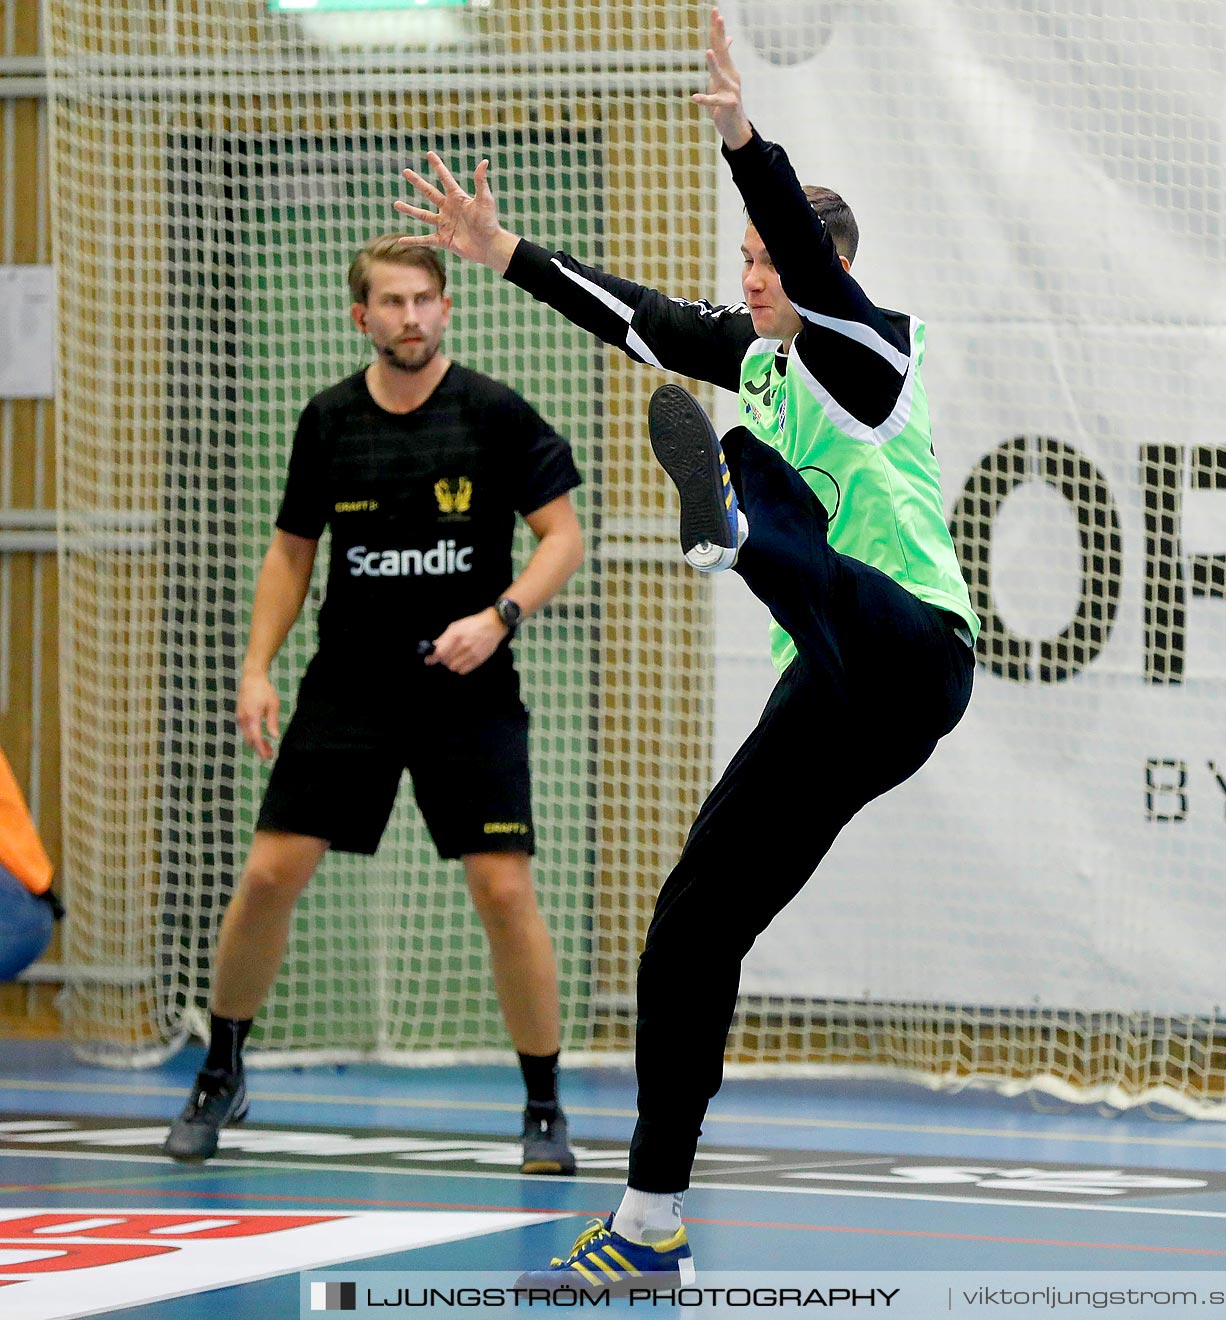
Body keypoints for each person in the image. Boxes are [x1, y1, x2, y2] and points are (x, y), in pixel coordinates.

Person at [396, 6, 977, 1289]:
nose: (752, 276)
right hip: (825, 688)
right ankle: (649, 1223)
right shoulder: (749, 355)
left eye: (771, 260)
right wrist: (502, 253)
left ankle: (734, 534)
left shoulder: (871, 357)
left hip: (909, 649)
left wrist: (740, 136)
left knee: (760, 478)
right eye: (749, 259)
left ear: (819, 271)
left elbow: (816, 287)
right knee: (691, 927)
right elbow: (637, 316)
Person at [161, 235, 586, 1178]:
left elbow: (563, 536)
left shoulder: (495, 413)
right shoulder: (328, 421)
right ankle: (220, 1068)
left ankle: (545, 1105)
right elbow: (289, 553)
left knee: (503, 887)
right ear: (362, 317)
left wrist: (501, 615)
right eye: (391, 303)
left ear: (445, 308)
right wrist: (256, 666)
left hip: (467, 689)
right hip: (348, 685)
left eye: (424, 300)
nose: (410, 317)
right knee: (271, 873)